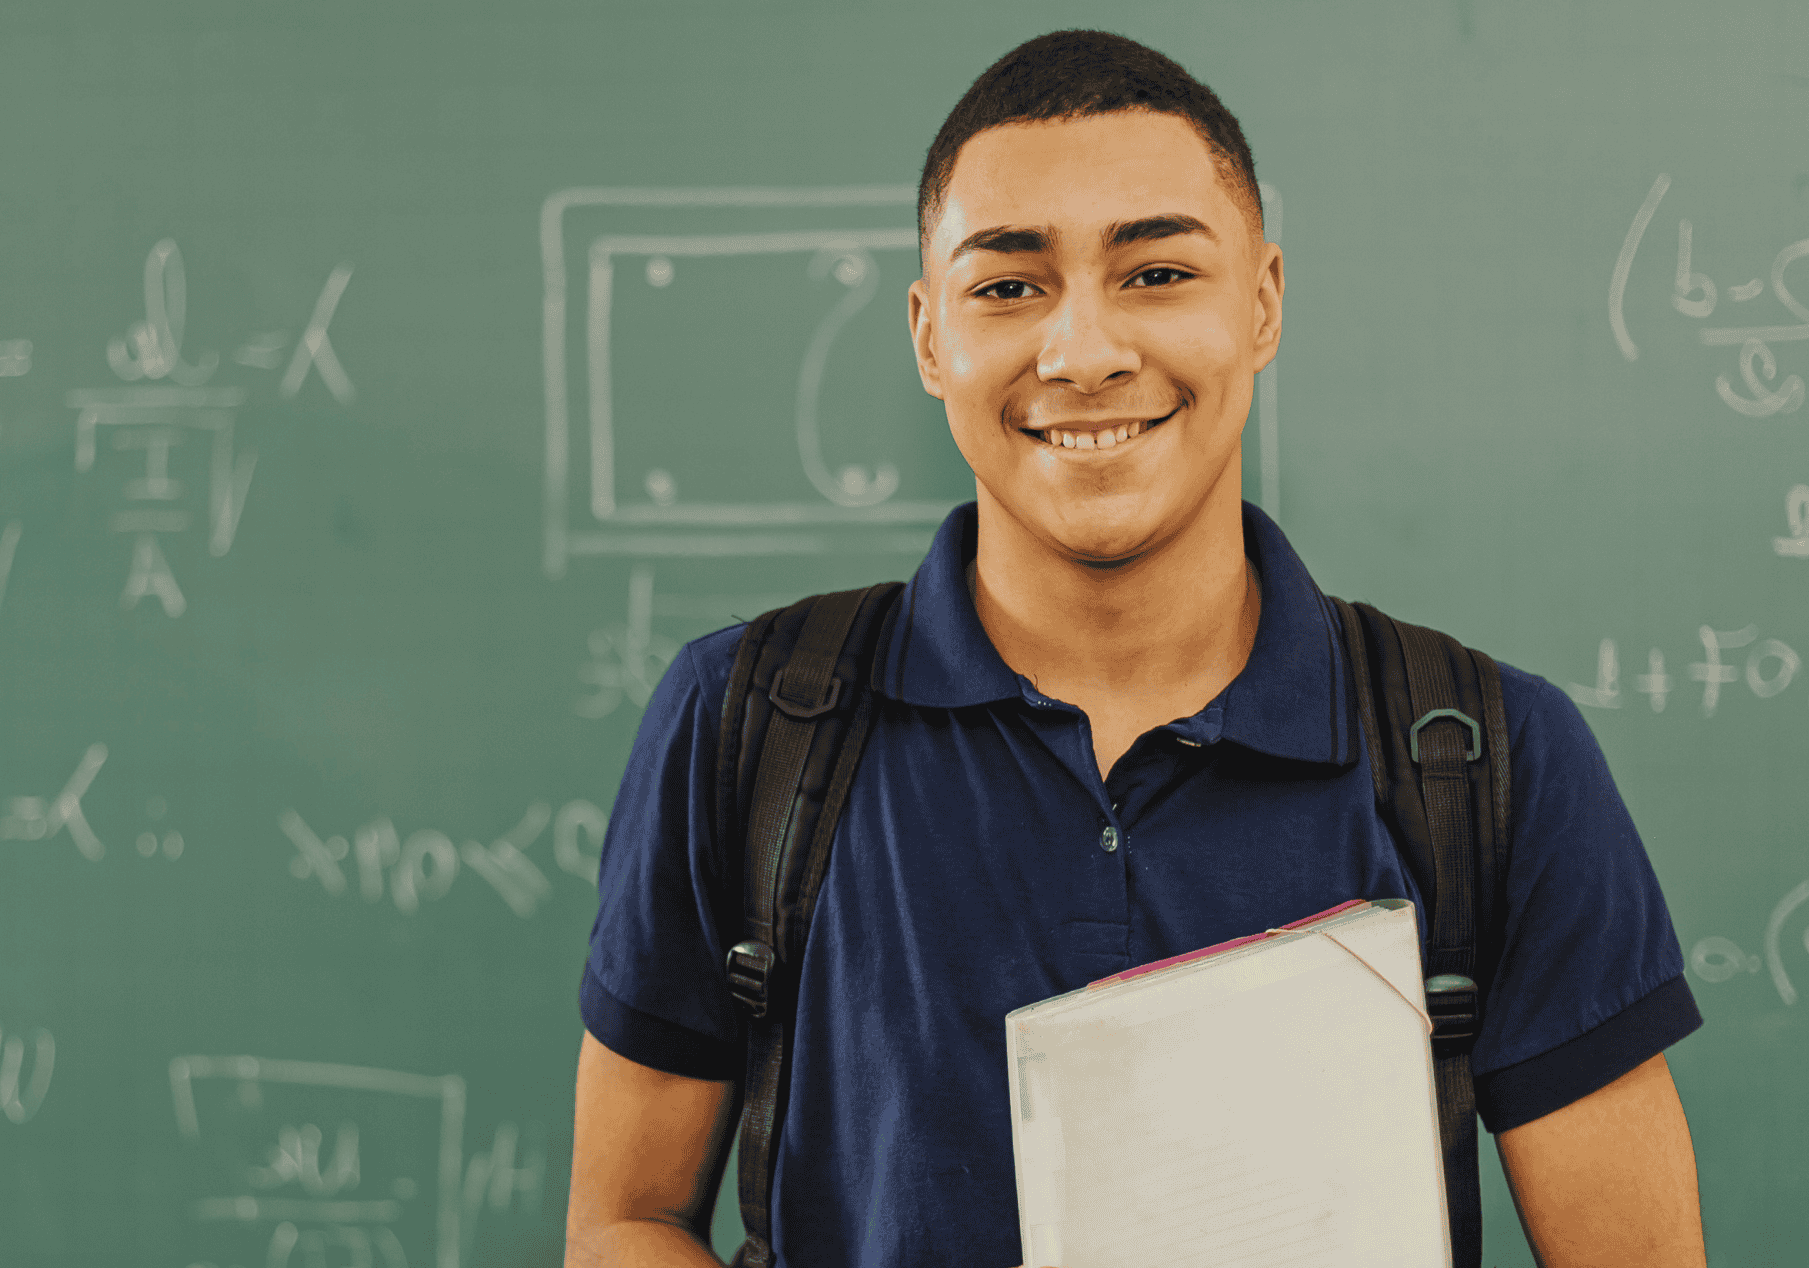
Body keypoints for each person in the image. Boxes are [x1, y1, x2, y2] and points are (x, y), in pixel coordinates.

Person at [563, 28, 1707, 1268]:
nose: (1087, 351)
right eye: (1009, 286)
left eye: (1158, 272)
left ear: (1262, 302)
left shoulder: (1489, 760)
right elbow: (629, 1217)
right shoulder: (747, 723)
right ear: (928, 333)